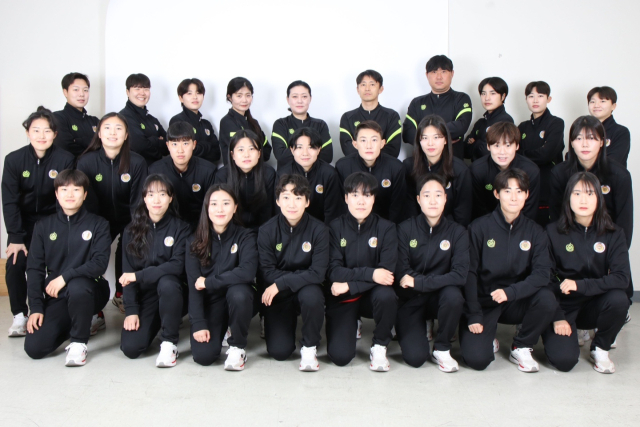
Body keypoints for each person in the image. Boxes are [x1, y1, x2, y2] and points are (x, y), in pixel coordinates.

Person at [460, 168, 556, 372]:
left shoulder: (535, 232)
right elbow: (469, 273)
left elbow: (541, 274)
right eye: (507, 191)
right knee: (477, 360)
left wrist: (511, 292)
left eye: (519, 191)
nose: (514, 197)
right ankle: (488, 337)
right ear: (496, 194)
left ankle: (521, 345)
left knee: (547, 298)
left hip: (517, 300)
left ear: (527, 195)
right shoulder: (478, 228)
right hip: (486, 302)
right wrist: (474, 313)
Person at [542, 172, 630, 373]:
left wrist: (580, 285)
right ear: (568, 197)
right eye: (577, 193)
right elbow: (544, 279)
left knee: (619, 298)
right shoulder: (552, 232)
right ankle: (566, 331)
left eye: (590, 194)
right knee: (564, 361)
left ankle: (600, 348)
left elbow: (621, 277)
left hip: (594, 303)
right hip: (563, 306)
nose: (583, 200)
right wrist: (557, 316)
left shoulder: (614, 233)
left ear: (599, 198)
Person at [24, 170, 111, 366]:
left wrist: (65, 277)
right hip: (59, 296)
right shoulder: (43, 226)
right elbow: (35, 269)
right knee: (35, 347)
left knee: (77, 285)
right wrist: (36, 307)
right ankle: (79, 321)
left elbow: (99, 264)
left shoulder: (99, 224)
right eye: (64, 189)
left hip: (91, 290)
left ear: (85, 194)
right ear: (57, 194)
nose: (70, 194)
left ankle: (79, 343)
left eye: (76, 189)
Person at [2, 107, 74, 336]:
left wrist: (60, 230)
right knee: (15, 262)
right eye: (36, 130)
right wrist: (15, 236)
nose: (41, 136)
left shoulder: (65, 159)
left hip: (53, 221)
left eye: (47, 131)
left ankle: (55, 310)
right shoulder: (14, 160)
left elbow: (65, 198)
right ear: (28, 132)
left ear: (55, 134)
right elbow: (10, 201)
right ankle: (19, 315)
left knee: (58, 262)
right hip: (23, 224)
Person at [549, 115, 633, 307]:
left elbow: (625, 221)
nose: (585, 144)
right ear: (571, 142)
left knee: (616, 299)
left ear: (602, 142)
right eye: (578, 138)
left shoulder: (619, 175)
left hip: (605, 242)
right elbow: (556, 217)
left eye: (591, 138)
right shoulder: (560, 173)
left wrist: (617, 256)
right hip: (571, 242)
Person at [396, 174, 469, 371]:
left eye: (438, 195)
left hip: (440, 298)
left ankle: (442, 347)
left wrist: (419, 282)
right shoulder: (405, 229)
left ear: (445, 198)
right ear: (418, 200)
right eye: (427, 195)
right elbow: (402, 272)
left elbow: (460, 275)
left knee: (454, 295)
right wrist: (429, 282)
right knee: (415, 359)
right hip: (411, 300)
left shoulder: (458, 232)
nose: (433, 201)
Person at [326, 172, 398, 371]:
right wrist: (372, 274)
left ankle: (380, 345)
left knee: (387, 295)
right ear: (346, 198)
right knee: (340, 357)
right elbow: (334, 271)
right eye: (355, 195)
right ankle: (351, 324)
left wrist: (350, 284)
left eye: (367, 195)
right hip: (344, 297)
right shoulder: (334, 228)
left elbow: (387, 274)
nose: (361, 201)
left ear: (374, 199)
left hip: (370, 296)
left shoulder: (387, 228)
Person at [76, 112, 148, 313]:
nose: (113, 133)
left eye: (118, 128)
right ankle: (94, 306)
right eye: (107, 128)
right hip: (97, 218)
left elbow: (138, 201)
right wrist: (96, 229)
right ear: (99, 133)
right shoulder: (86, 162)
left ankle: (122, 294)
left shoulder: (137, 162)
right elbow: (86, 201)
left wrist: (134, 228)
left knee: (130, 244)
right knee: (91, 251)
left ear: (126, 135)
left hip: (128, 217)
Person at [257, 174, 329, 371]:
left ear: (307, 201)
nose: (292, 204)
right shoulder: (267, 230)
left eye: (298, 197)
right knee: (279, 352)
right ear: (278, 201)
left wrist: (283, 282)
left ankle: (310, 347)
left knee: (313, 294)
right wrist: (285, 284)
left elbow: (318, 273)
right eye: (286, 197)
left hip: (304, 289)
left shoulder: (319, 230)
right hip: (279, 295)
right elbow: (267, 272)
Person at [119, 174, 190, 367]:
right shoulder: (131, 231)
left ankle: (169, 342)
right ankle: (159, 321)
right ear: (144, 198)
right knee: (131, 348)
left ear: (170, 197)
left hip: (174, 292)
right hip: (147, 296)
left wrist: (139, 276)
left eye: (162, 194)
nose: (156, 200)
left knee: (168, 282)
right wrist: (131, 310)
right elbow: (127, 274)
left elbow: (177, 265)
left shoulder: (181, 228)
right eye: (151, 194)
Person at [186, 184, 258, 370]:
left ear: (235, 208)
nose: (220, 209)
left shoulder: (245, 236)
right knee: (203, 356)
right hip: (213, 303)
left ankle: (237, 346)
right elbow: (194, 286)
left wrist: (209, 282)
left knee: (239, 293)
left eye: (226, 203)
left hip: (239, 298)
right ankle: (224, 327)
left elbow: (247, 272)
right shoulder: (194, 242)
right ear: (207, 208)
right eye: (214, 204)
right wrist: (198, 323)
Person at [404, 115, 472, 226]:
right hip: (417, 230)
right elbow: (409, 209)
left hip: (450, 230)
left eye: (436, 137)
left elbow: (462, 214)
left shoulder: (460, 170)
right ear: (419, 141)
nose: (430, 143)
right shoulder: (408, 166)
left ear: (445, 140)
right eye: (425, 138)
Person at [149, 121, 217, 231]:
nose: (180, 150)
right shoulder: (155, 171)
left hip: (200, 227)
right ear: (168, 146)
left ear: (194, 144)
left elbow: (213, 207)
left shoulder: (208, 170)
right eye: (175, 144)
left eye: (185, 144)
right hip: (166, 228)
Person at [403, 55, 473, 159]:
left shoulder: (461, 98)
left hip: (453, 161)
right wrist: (441, 138)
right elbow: (408, 133)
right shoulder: (417, 102)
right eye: (434, 72)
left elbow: (461, 125)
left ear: (452, 74)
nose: (439, 77)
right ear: (427, 75)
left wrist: (425, 137)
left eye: (444, 71)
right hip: (422, 162)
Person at [335, 121, 406, 224]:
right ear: (355, 144)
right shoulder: (342, 166)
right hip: (352, 225)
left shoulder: (396, 167)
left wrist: (388, 229)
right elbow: (340, 205)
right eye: (363, 140)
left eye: (374, 140)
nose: (369, 146)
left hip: (385, 226)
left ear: (382, 143)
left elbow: (397, 207)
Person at [517, 81, 565, 226]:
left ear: (548, 99)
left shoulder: (556, 123)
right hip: (525, 184)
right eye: (531, 96)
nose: (535, 100)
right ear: (526, 99)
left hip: (548, 184)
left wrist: (522, 153)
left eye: (540, 96)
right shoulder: (522, 126)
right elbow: (513, 154)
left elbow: (546, 154)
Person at [470, 122, 540, 220]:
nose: (502, 152)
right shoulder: (477, 169)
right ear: (488, 147)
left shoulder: (530, 171)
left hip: (521, 224)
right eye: (497, 146)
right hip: (487, 224)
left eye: (508, 145)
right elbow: (479, 208)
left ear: (517, 146)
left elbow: (530, 210)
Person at [277, 127, 343, 224]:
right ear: (292, 150)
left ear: (319, 149)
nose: (305, 153)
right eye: (299, 147)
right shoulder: (283, 174)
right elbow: (279, 211)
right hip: (290, 227)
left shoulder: (329, 174)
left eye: (311, 147)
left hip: (321, 229)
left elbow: (332, 213)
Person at [214, 130, 277, 230]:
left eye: (251, 149)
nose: (246, 155)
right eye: (241, 150)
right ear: (232, 155)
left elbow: (268, 211)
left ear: (259, 153)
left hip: (262, 229)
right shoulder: (222, 175)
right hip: (232, 230)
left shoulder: (269, 173)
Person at [339, 70, 402, 158]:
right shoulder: (347, 117)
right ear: (358, 89)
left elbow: (393, 149)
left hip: (384, 164)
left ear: (380, 89)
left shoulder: (392, 116)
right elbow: (348, 149)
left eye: (372, 84)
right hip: (356, 165)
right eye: (363, 84)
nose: (367, 88)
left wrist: (371, 160)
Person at [272, 80, 333, 168]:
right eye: (295, 96)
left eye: (304, 96)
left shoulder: (320, 125)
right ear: (288, 99)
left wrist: (297, 151)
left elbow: (327, 156)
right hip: (288, 174)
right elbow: (281, 155)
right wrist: (312, 151)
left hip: (316, 173)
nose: (300, 101)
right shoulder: (281, 124)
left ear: (310, 98)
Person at [219, 77, 271, 165]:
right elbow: (239, 153)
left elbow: (267, 151)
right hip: (234, 172)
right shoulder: (227, 122)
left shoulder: (254, 123)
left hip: (256, 171)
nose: (244, 100)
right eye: (239, 96)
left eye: (248, 95)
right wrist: (256, 150)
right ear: (230, 97)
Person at [119, 73, 167, 165]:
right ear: (127, 92)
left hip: (156, 169)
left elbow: (169, 144)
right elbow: (139, 146)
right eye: (137, 89)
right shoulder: (124, 117)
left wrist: (151, 141)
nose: (142, 93)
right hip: (135, 169)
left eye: (146, 89)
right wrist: (157, 141)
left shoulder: (153, 120)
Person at [169, 78, 221, 164]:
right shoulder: (178, 121)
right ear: (181, 98)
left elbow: (217, 154)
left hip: (208, 170)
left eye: (198, 93)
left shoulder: (206, 124)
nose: (195, 97)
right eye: (189, 93)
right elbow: (184, 152)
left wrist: (199, 147)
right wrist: (208, 145)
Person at [465, 77, 513, 161]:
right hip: (476, 168)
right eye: (483, 93)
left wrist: (476, 142)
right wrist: (481, 144)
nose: (487, 98)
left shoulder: (505, 121)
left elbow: (488, 151)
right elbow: (465, 151)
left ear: (503, 96)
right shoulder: (480, 122)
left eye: (492, 93)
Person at [53, 72, 99, 158]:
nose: (81, 94)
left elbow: (105, 146)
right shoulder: (58, 118)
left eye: (85, 90)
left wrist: (79, 140)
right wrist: (91, 143)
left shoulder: (95, 121)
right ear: (65, 92)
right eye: (76, 89)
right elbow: (66, 148)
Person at [588, 86, 630, 168]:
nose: (596, 105)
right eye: (592, 102)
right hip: (581, 176)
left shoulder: (621, 132)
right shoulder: (581, 131)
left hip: (609, 176)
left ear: (613, 106)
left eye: (602, 101)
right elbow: (570, 157)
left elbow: (613, 161)